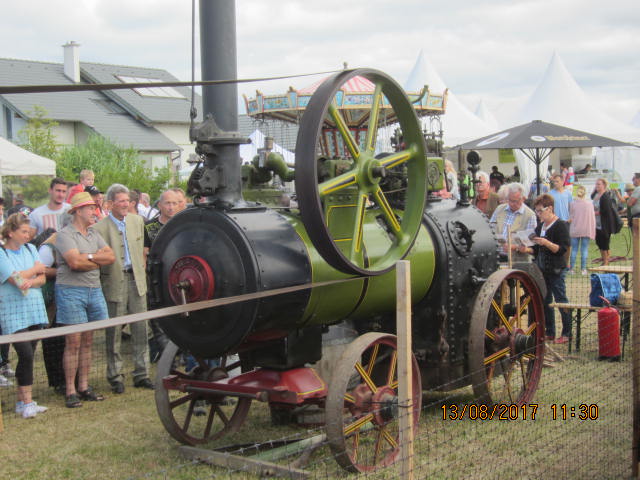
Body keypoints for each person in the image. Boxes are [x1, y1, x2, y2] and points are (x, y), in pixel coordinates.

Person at [55, 192, 115, 408]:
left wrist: (88, 258)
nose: (94, 212)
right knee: (73, 342)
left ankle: (84, 386)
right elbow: (74, 263)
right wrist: (95, 260)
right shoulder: (64, 234)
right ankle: (70, 390)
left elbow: (111, 257)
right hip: (71, 290)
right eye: (90, 208)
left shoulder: (93, 234)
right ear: (78, 211)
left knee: (88, 341)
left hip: (94, 289)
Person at [93, 184, 153, 393]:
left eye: (127, 200)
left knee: (141, 329)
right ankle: (115, 376)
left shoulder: (137, 222)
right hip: (114, 282)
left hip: (137, 281)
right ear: (110, 204)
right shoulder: (99, 228)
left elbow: (143, 250)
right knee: (114, 333)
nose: (126, 204)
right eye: (121, 201)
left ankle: (142, 373)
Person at [0, 213, 49, 418]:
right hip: (12, 312)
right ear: (11, 232)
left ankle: (23, 401)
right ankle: (27, 402)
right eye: (23, 231)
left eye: (28, 231)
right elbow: (14, 279)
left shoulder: (30, 249)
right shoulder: (2, 253)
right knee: (26, 354)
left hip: (35, 310)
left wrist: (32, 278)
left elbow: (43, 278)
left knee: (29, 355)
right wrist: (35, 270)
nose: (27, 235)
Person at [517, 194, 571, 343]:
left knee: (561, 300)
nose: (538, 214)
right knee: (546, 301)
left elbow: (562, 249)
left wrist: (546, 243)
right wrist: (525, 249)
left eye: (541, 211)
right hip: (542, 270)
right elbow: (536, 250)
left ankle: (567, 333)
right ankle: (550, 331)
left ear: (550, 209)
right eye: (537, 211)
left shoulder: (560, 225)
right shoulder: (540, 227)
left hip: (556, 270)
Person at [144, 189, 181, 362]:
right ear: (160, 205)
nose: (171, 207)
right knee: (159, 321)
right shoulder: (149, 227)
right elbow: (145, 254)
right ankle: (168, 359)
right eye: (167, 203)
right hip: (157, 281)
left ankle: (182, 354)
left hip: (180, 280)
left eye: (174, 203)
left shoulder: (184, 224)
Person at [490, 183, 537, 263]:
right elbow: (491, 228)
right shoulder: (500, 209)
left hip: (517, 260)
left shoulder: (530, 215)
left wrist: (514, 247)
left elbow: (531, 244)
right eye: (510, 200)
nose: (512, 204)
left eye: (515, 201)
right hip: (497, 256)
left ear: (523, 199)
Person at [568, 185, 596, 275]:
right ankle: (583, 269)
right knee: (584, 249)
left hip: (575, 229)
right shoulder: (589, 204)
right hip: (586, 229)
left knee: (574, 250)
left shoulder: (572, 204)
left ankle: (571, 269)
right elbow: (592, 217)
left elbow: (571, 216)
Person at [591, 178, 618, 266]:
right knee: (599, 242)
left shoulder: (605, 196)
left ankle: (606, 261)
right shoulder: (596, 195)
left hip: (604, 224)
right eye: (596, 184)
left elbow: (606, 211)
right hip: (597, 223)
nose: (597, 186)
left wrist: (594, 213)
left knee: (605, 243)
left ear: (604, 185)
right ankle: (603, 259)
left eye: (599, 184)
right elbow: (592, 199)